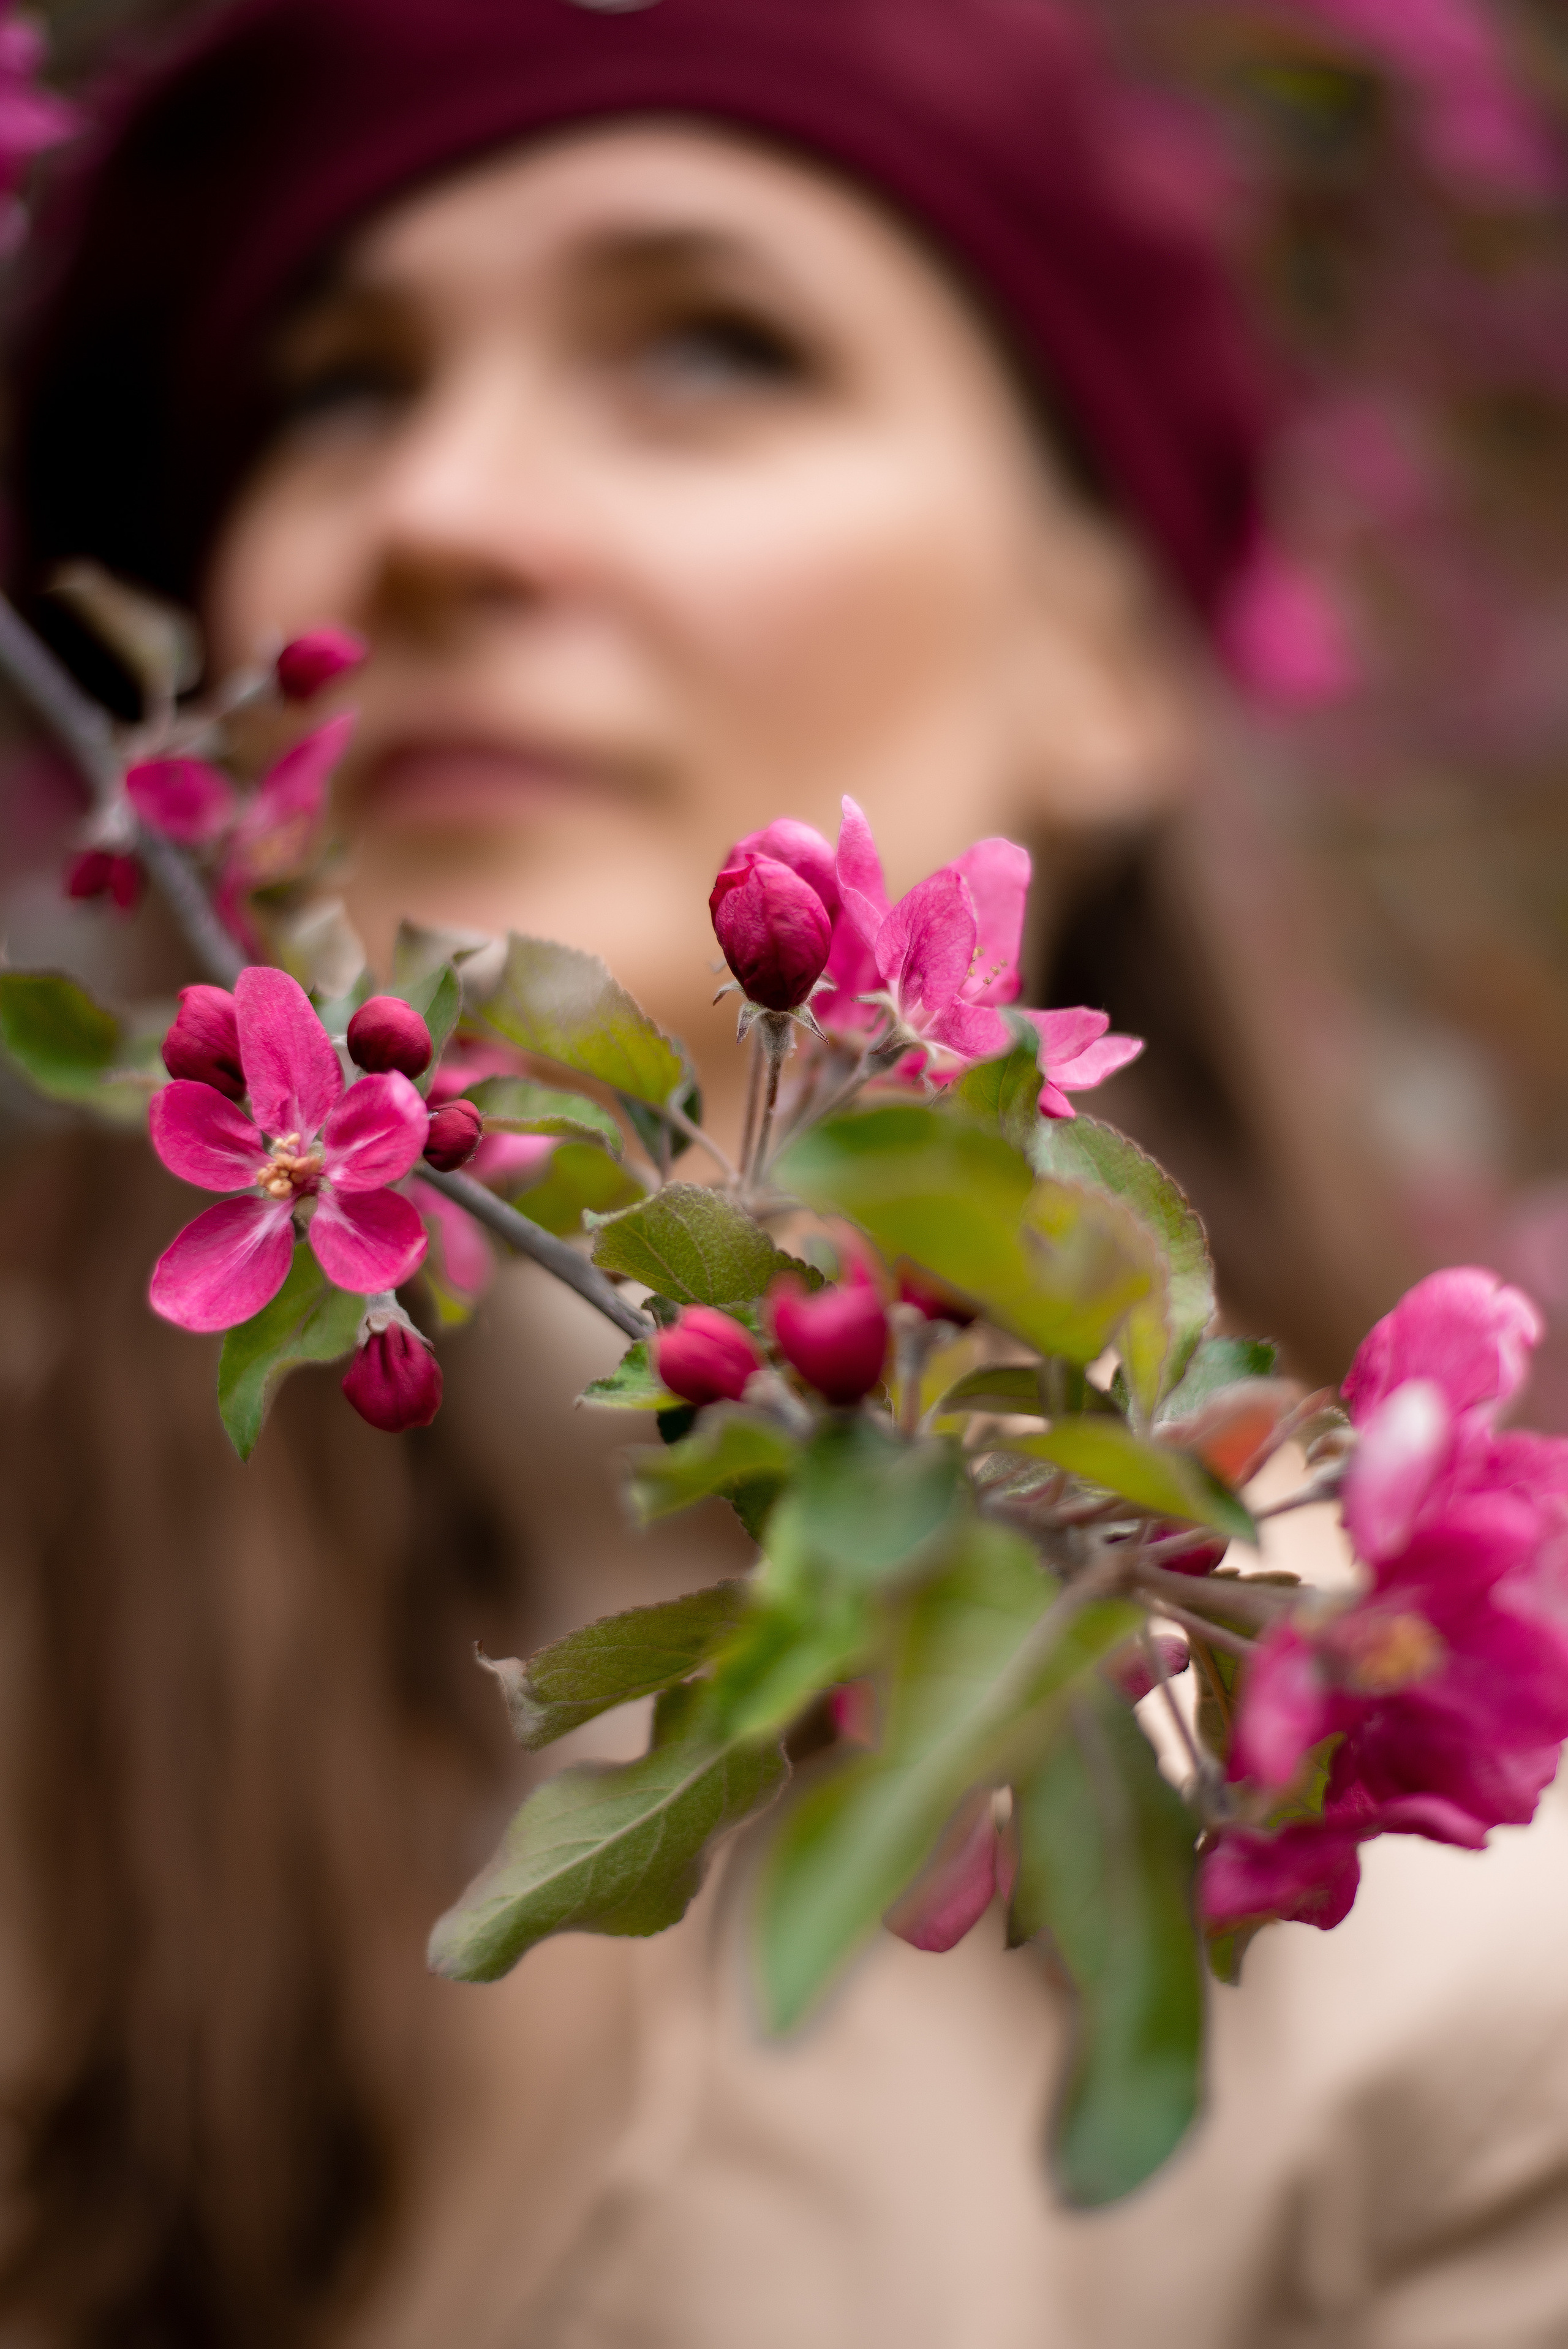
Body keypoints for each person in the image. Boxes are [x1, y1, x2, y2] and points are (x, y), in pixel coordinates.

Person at [4, 2, 1568, 2343]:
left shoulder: (1482, 2025)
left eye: (713, 351)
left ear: (1109, 648)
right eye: (338, 390)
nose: (438, 514)